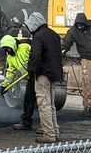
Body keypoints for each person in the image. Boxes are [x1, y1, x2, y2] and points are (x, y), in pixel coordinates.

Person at [25, 11, 64, 143]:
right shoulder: (54, 35)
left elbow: (36, 56)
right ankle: (55, 132)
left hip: (42, 74)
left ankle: (49, 134)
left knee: (43, 104)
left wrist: (32, 72)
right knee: (51, 104)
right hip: (54, 74)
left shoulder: (38, 36)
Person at [0, 33, 31, 113]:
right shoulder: (10, 58)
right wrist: (4, 85)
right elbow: (10, 73)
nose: (7, 51)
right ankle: (27, 117)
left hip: (37, 75)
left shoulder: (25, 47)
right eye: (5, 49)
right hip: (29, 78)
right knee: (28, 99)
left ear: (11, 44)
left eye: (7, 48)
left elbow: (36, 56)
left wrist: (34, 68)